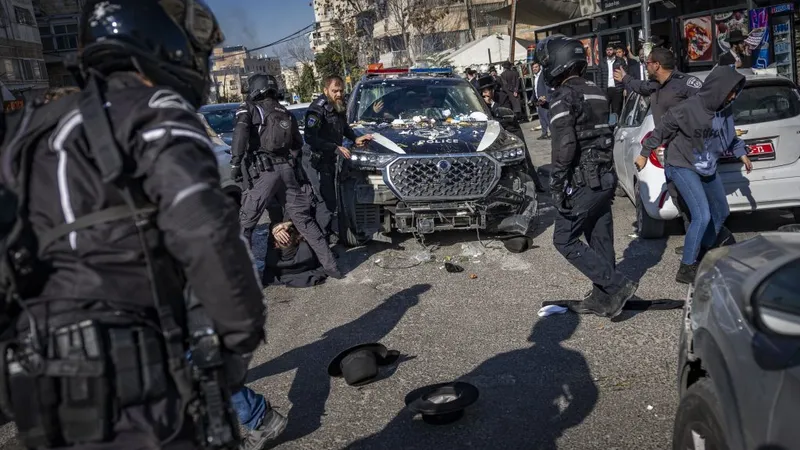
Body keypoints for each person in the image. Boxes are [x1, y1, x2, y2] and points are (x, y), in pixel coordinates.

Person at [0, 1, 285, 448]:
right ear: (159, 39)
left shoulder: (28, 130)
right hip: (139, 380)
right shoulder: (153, 109)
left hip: (45, 387)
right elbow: (207, 235)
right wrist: (236, 339)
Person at [535, 35, 638, 318]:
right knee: (599, 237)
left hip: (583, 180)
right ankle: (604, 298)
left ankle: (617, 286)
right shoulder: (596, 90)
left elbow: (565, 145)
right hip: (605, 177)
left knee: (564, 239)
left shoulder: (563, 97)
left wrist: (557, 184)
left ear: (557, 63)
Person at [638, 65, 752, 284]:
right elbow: (661, 130)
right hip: (681, 164)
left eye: (735, 92)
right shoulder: (688, 108)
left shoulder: (724, 110)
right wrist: (644, 153)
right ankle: (686, 267)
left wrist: (742, 154)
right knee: (702, 214)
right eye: (730, 92)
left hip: (707, 166)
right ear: (718, 89)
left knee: (721, 212)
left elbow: (730, 136)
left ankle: (702, 254)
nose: (733, 96)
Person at [231, 73, 342, 279]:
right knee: (304, 222)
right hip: (287, 171)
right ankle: (332, 268)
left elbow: (240, 133)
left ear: (255, 89)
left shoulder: (250, 108)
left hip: (264, 173)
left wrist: (236, 162)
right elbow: (297, 145)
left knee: (245, 225)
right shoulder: (285, 112)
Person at [304, 75, 372, 239]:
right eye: (335, 91)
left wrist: (355, 138)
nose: (339, 94)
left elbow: (344, 127)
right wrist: (334, 147)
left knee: (332, 201)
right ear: (325, 90)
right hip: (317, 162)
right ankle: (320, 241)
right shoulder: (317, 110)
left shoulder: (338, 106)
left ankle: (326, 235)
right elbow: (310, 138)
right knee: (324, 203)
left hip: (331, 161)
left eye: (341, 90)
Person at [478, 75, 546, 193]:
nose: (485, 94)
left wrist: (492, 104)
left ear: (492, 90)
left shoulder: (502, 97)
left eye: (486, 91)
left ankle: (536, 184)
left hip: (511, 129)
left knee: (524, 157)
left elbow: (507, 114)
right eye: (483, 92)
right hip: (495, 133)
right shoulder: (481, 102)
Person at [263, 221, 327, 288]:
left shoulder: (272, 261)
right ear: (297, 240)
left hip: (282, 273)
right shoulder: (308, 252)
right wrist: (290, 223)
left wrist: (276, 229)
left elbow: (270, 243)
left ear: (276, 244)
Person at [600, 44, 626, 117]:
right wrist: (600, 90)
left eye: (610, 49)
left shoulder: (620, 61)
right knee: (605, 110)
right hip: (606, 90)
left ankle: (616, 124)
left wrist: (625, 88)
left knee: (616, 111)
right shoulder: (602, 62)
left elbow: (625, 75)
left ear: (614, 50)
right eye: (607, 50)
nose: (609, 51)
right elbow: (599, 77)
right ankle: (606, 123)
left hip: (617, 89)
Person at [532, 62, 552, 140]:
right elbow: (535, 89)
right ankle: (544, 133)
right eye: (533, 67)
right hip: (538, 101)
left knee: (547, 117)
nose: (534, 69)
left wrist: (546, 98)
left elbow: (547, 87)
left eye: (536, 67)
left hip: (544, 100)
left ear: (539, 67)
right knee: (542, 118)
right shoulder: (535, 77)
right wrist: (532, 99)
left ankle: (552, 133)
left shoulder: (543, 75)